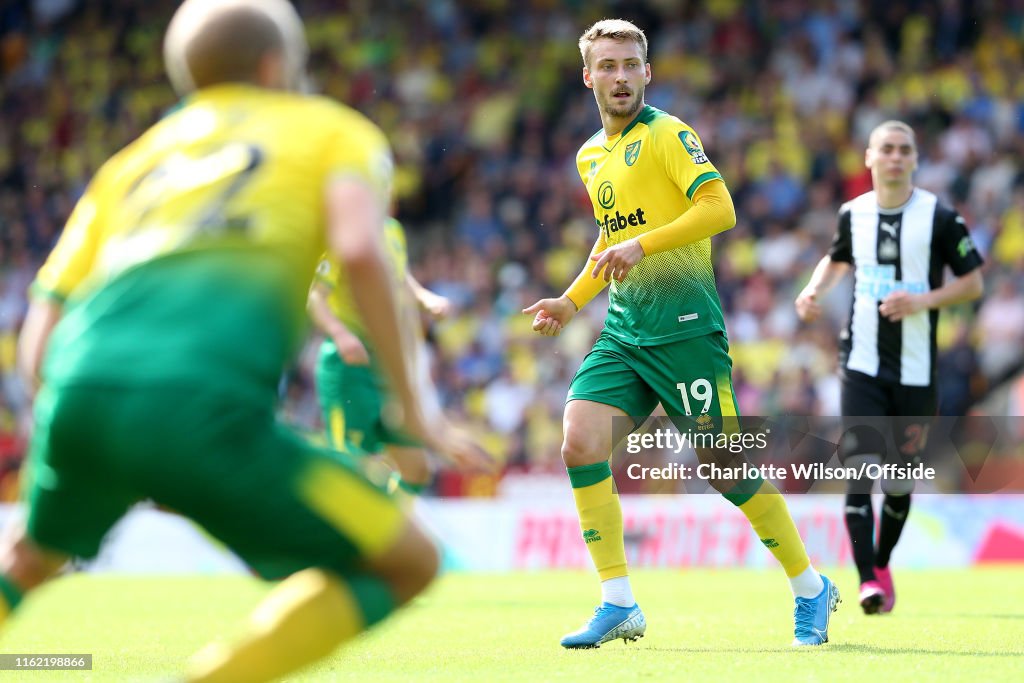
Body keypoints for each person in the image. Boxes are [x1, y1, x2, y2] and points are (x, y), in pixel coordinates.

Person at [0, 1, 485, 681]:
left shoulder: (131, 163)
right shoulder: (331, 131)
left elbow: (44, 315)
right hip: (202, 408)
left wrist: (73, 428)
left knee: (30, 557)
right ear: (277, 65)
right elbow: (360, 250)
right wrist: (416, 406)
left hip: (77, 394)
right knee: (410, 560)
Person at [523, 18, 838, 649]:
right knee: (580, 442)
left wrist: (645, 243)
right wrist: (571, 298)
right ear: (588, 77)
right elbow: (611, 242)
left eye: (630, 64)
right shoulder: (591, 155)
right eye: (607, 66)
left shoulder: (668, 134)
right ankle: (618, 602)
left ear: (647, 72)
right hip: (623, 330)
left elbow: (719, 207)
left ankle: (810, 587)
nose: (619, 76)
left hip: (686, 330)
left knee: (725, 468)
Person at [795, 120, 983, 615]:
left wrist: (922, 301)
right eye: (887, 149)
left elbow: (973, 283)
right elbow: (837, 260)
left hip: (918, 373)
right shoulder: (852, 214)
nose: (896, 157)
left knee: (899, 482)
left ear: (915, 160)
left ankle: (880, 563)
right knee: (860, 470)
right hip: (859, 364)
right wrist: (815, 290)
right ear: (869, 158)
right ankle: (866, 582)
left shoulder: (939, 218)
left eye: (905, 150)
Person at [308, 216, 451, 494]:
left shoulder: (392, 230)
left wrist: (424, 297)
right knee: (349, 467)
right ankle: (347, 531)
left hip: (387, 364)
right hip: (349, 364)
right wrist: (341, 335)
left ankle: (381, 529)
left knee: (417, 469)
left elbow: (400, 277)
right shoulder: (341, 232)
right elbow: (316, 297)